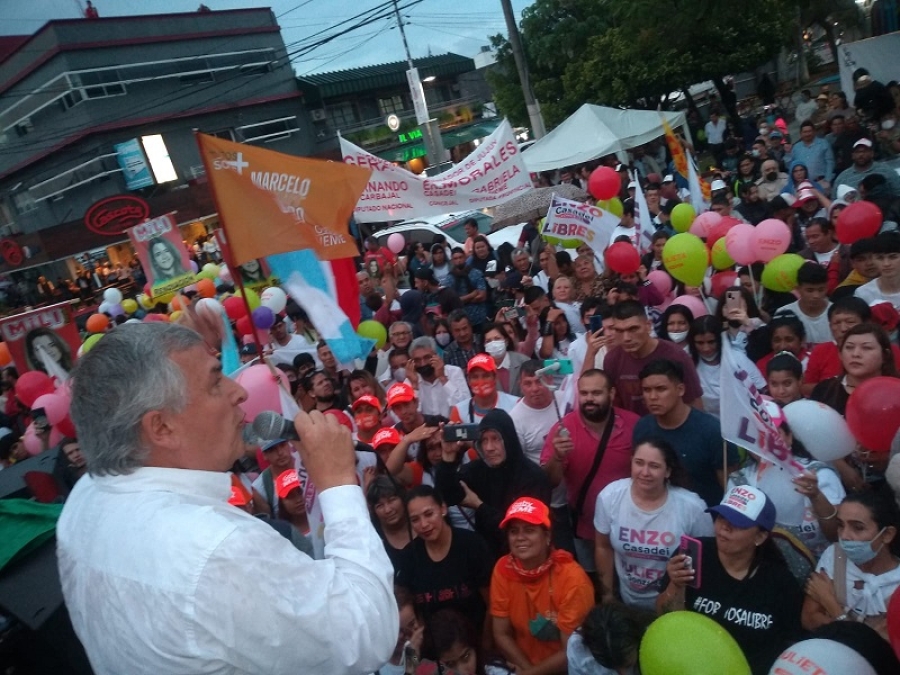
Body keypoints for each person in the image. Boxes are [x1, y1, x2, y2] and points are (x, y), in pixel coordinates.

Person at [57, 323, 397, 673]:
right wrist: (338, 482)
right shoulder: (218, 548)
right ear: (162, 428)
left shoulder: (83, 502)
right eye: (216, 381)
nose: (240, 392)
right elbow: (365, 631)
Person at [656, 486, 804, 675]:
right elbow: (664, 617)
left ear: (760, 536)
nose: (725, 527)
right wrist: (675, 585)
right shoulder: (694, 555)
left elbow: (792, 644)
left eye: (737, 523)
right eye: (721, 517)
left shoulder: (780, 582)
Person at [594, 439, 713, 610]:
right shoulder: (610, 497)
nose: (645, 472)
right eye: (639, 463)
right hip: (625, 603)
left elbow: (706, 558)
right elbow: (603, 547)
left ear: (668, 471)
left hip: (673, 606)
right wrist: (607, 596)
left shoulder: (693, 507)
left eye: (654, 466)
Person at [541, 369, 639, 572]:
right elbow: (549, 482)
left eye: (596, 393)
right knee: (593, 579)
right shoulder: (563, 429)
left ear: (611, 393)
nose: (589, 399)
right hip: (587, 529)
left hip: (630, 527)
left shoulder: (634, 425)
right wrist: (557, 457)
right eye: (584, 393)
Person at [490, 497, 594, 675]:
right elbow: (501, 634)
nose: (520, 538)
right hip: (522, 665)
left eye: (529, 530)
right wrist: (529, 671)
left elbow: (570, 652)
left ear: (547, 536)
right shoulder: (503, 569)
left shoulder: (573, 579)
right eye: (514, 531)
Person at [728, 403, 844, 561]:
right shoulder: (739, 482)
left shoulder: (819, 475)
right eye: (756, 435)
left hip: (819, 567)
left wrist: (816, 496)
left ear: (789, 437)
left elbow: (837, 535)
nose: (764, 442)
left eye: (772, 434)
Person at [436, 409, 552, 558]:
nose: (489, 448)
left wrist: (479, 506)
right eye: (484, 440)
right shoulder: (478, 470)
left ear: (508, 440)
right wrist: (448, 457)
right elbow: (448, 495)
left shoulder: (533, 477)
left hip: (527, 556)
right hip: (488, 556)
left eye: (496, 439)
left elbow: (519, 531)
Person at [634, 359, 738, 507]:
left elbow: (732, 490)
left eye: (661, 389)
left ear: (680, 390)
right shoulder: (642, 428)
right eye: (647, 390)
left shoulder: (712, 431)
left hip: (705, 516)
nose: (653, 397)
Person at [802, 491, 900, 641]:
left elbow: (882, 646)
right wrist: (871, 633)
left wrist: (831, 604)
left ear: (887, 534)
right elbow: (809, 618)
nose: (844, 535)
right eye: (840, 525)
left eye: (858, 528)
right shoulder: (835, 556)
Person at [396, 485, 493, 629]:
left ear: (443, 509)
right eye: (415, 519)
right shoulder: (410, 556)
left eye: (429, 514)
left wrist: (486, 640)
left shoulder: (472, 545)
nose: (424, 524)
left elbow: (492, 603)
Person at [603, 300, 703, 416]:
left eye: (633, 329)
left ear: (648, 326)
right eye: (619, 331)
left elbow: (694, 404)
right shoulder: (612, 359)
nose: (626, 338)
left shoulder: (676, 356)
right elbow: (615, 406)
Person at [567, 604, 643, 675]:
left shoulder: (646, 640)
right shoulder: (577, 651)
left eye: (628, 665)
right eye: (610, 666)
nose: (623, 673)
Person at [405, 336, 469, 418]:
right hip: (423, 426)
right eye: (417, 360)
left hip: (453, 424)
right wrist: (414, 386)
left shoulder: (454, 372)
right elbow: (410, 416)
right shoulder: (410, 380)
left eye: (427, 357)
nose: (422, 363)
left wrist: (443, 378)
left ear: (437, 356)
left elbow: (466, 406)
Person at [450, 354, 519, 424]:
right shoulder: (459, 411)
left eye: (486, 376)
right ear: (468, 381)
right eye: (475, 377)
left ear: (495, 378)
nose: (480, 381)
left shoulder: (515, 405)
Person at [777, 263, 832, 346]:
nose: (816, 296)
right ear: (798, 289)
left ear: (827, 288)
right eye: (810, 290)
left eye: (821, 290)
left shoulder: (836, 314)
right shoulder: (784, 314)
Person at [834, 139, 900, 198]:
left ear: (872, 153)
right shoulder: (843, 177)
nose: (861, 155)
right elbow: (835, 201)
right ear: (852, 155)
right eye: (857, 152)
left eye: (864, 151)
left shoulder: (886, 170)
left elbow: (898, 193)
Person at [856, 232, 900, 312]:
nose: (886, 264)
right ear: (873, 259)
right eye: (880, 258)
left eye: (893, 257)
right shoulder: (863, 293)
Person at [482, 323, 529, 396]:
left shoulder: (523, 361)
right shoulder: (482, 368)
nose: (493, 344)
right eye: (488, 341)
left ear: (506, 341)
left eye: (497, 338)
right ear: (484, 346)